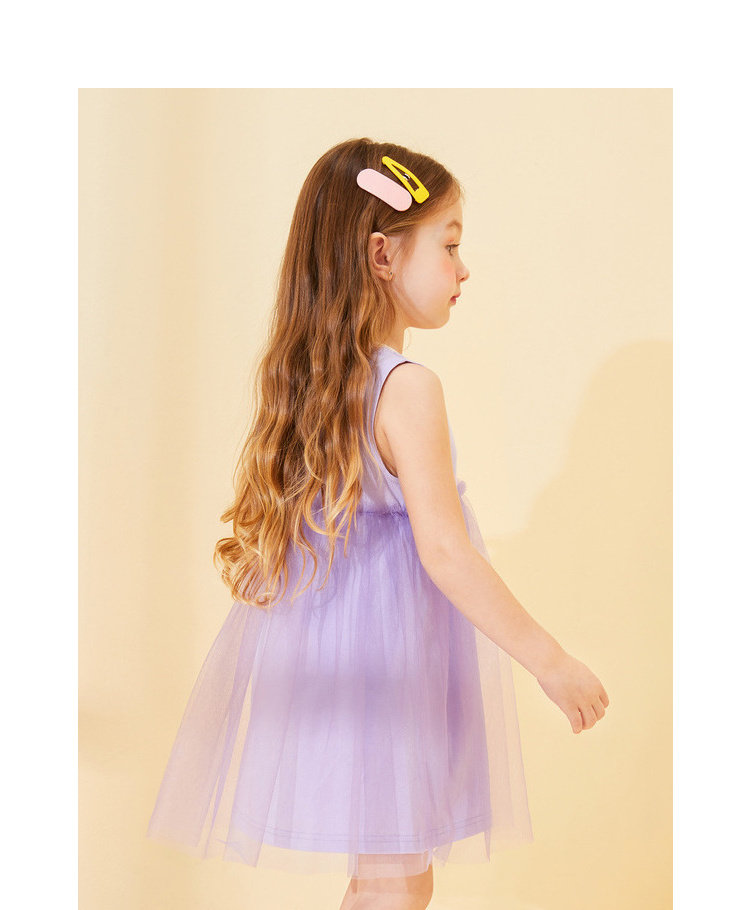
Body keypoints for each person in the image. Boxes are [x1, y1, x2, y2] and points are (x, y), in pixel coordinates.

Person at [146, 138, 609, 910]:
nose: (464, 269)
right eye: (450, 246)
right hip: (390, 666)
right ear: (382, 255)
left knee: (390, 877)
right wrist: (550, 661)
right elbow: (445, 551)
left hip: (341, 661)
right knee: (396, 880)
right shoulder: (408, 387)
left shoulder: (320, 385)